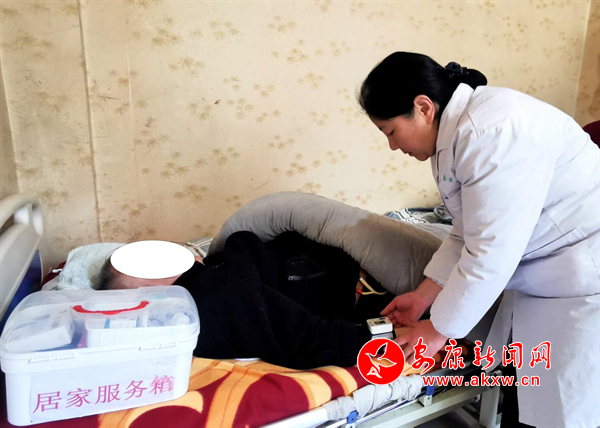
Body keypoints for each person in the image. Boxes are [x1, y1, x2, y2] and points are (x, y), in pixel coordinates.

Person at [360, 52, 599, 427]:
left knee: (566, 406)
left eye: (390, 131)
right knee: (535, 394)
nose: (392, 146)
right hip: (548, 273)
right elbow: (466, 228)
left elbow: (490, 253)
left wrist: (437, 330)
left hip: (583, 274)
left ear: (423, 108)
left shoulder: (492, 133)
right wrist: (423, 296)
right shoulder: (455, 136)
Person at [97, 231, 395, 370]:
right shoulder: (214, 300)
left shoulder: (218, 265)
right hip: (371, 294)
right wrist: (389, 336)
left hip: (352, 262)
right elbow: (309, 340)